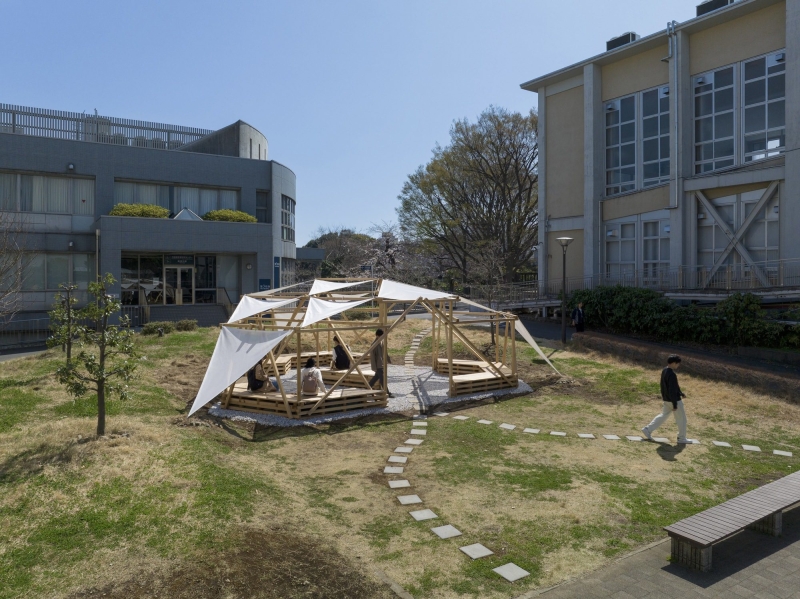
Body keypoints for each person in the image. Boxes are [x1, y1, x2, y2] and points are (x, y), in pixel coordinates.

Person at [642, 355, 689, 443]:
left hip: (666, 399)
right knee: (682, 419)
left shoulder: (665, 370)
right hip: (674, 400)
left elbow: (670, 387)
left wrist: (680, 393)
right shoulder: (672, 374)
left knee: (663, 416)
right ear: (674, 363)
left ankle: (647, 429)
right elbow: (672, 390)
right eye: (678, 364)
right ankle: (682, 438)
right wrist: (675, 404)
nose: (678, 365)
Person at [368, 329, 393, 397]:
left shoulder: (381, 342)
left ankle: (367, 388)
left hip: (381, 363)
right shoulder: (374, 344)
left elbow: (385, 351)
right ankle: (387, 393)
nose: (382, 337)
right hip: (378, 365)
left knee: (375, 378)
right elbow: (372, 357)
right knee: (382, 379)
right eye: (381, 336)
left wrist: (388, 359)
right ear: (377, 336)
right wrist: (374, 367)